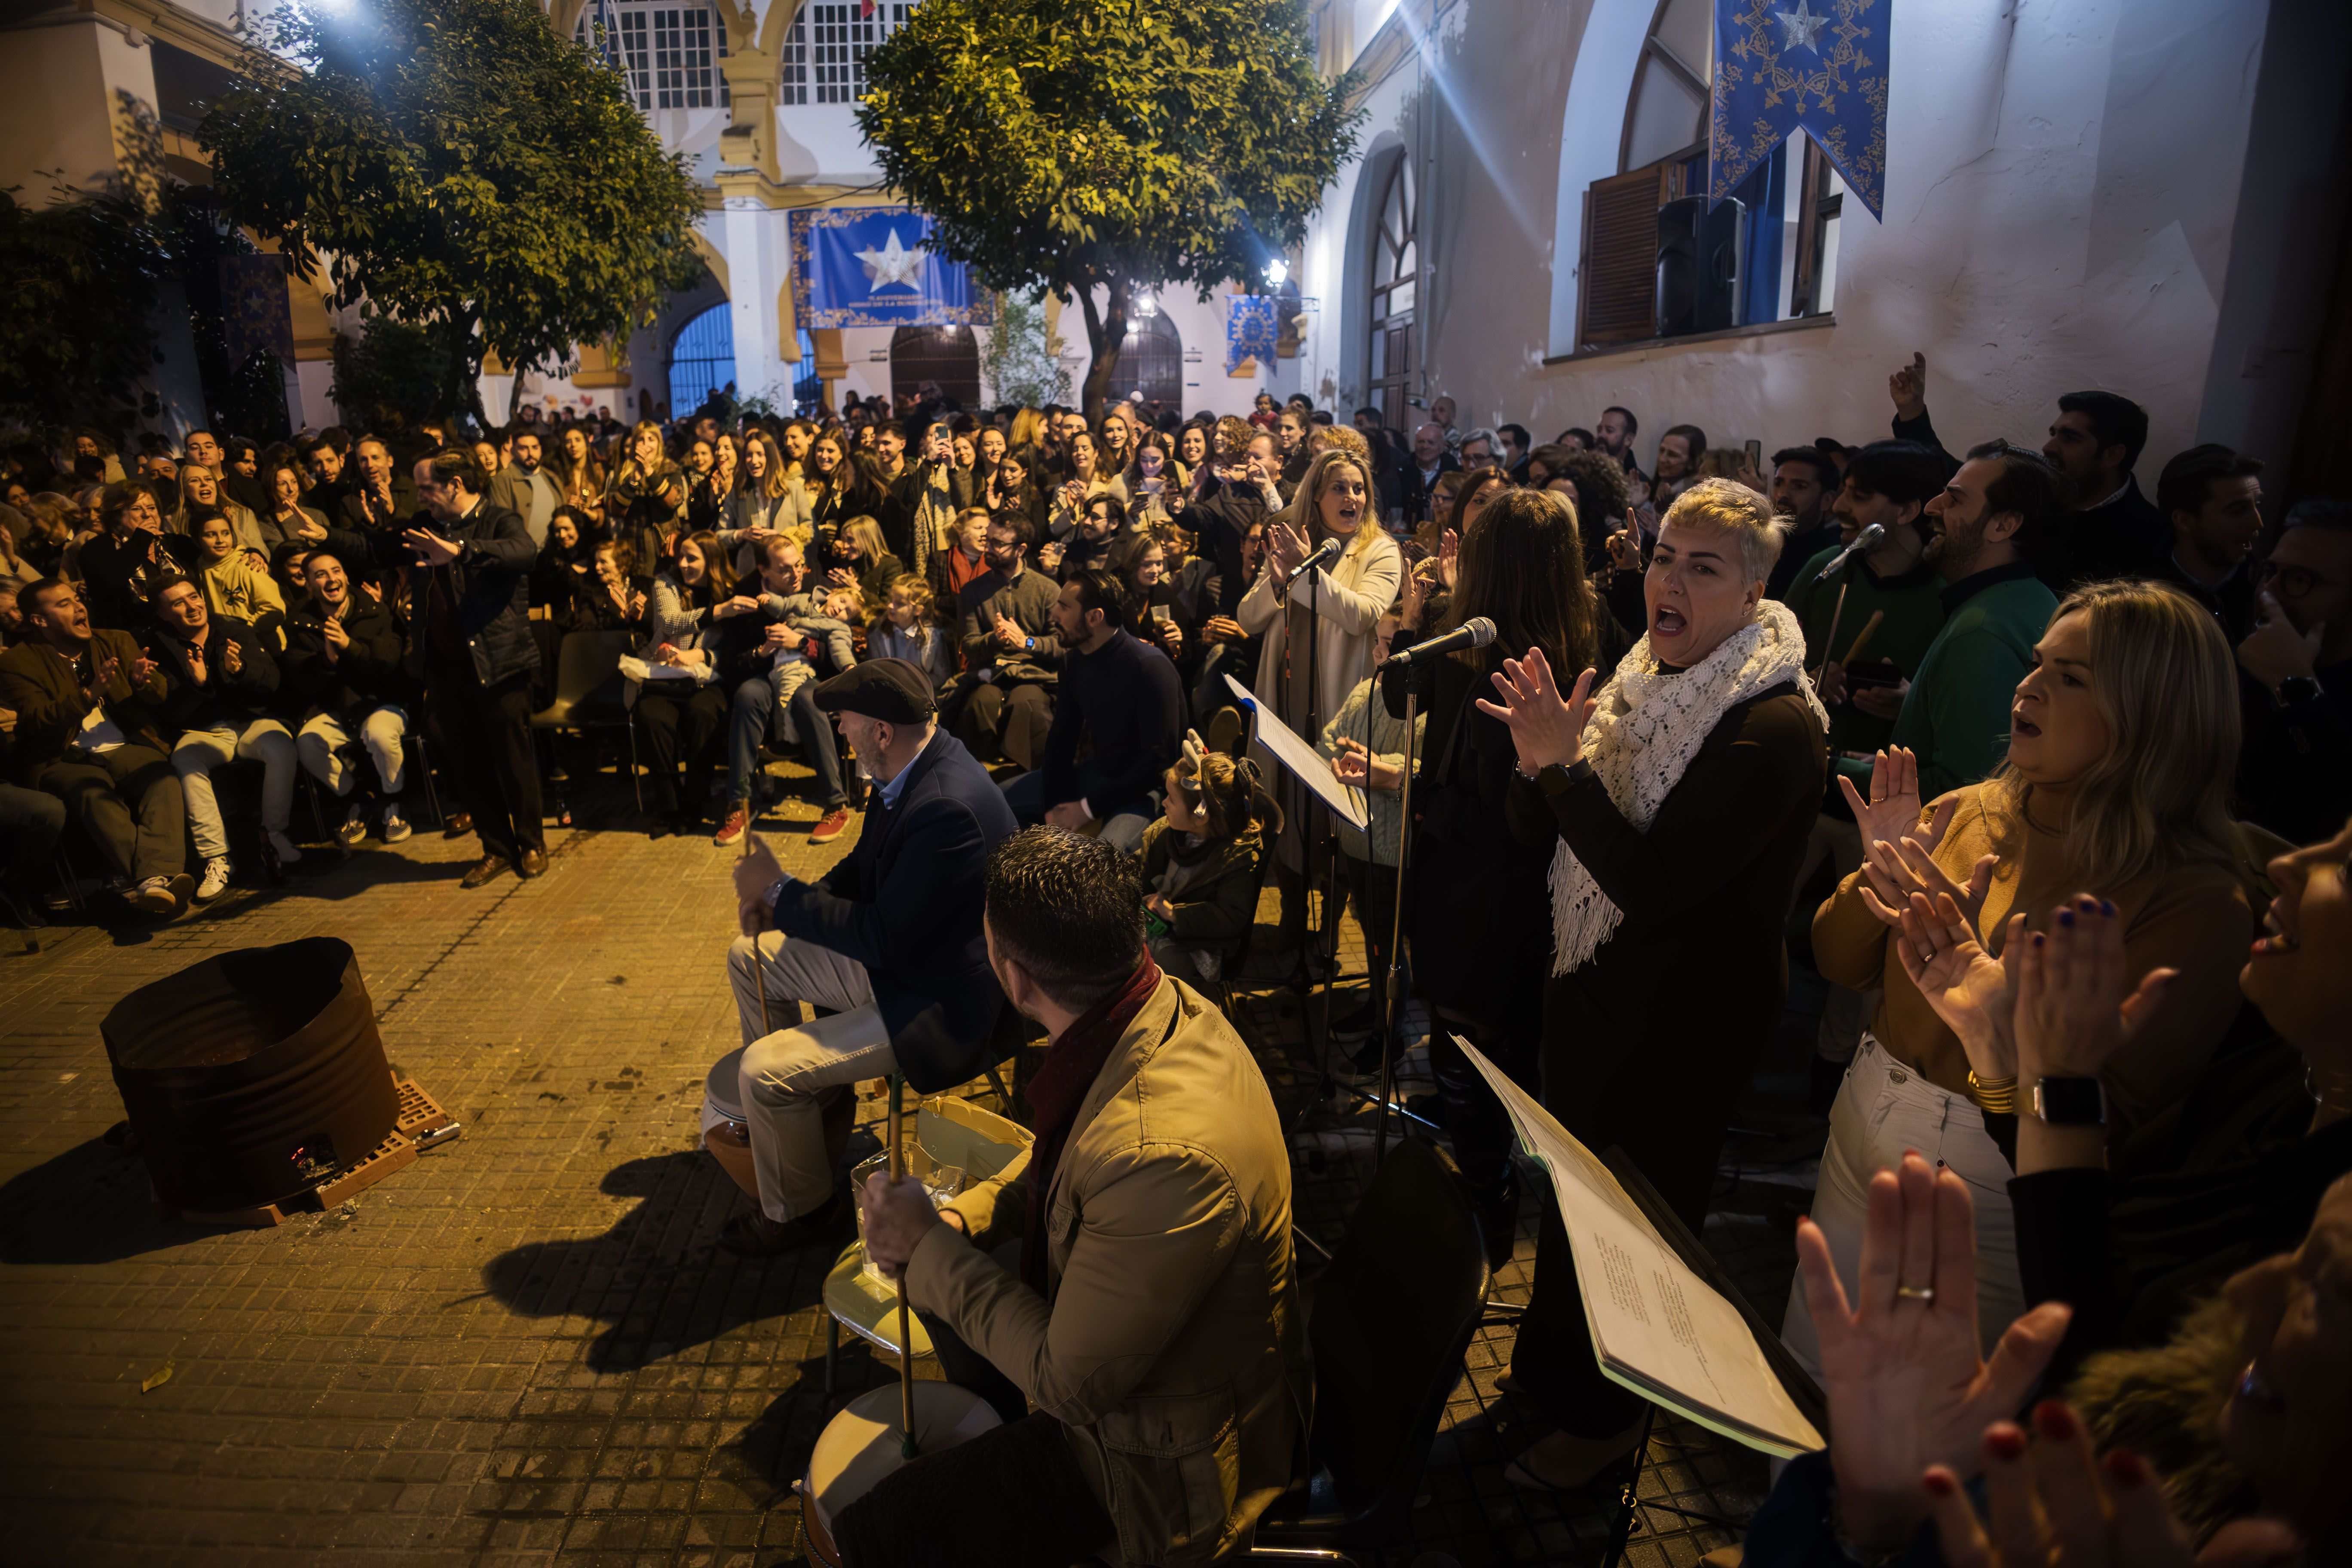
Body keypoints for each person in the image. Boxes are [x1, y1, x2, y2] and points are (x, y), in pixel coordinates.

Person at [1794, 581, 2254, 1389]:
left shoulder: (2196, 896)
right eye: (2037, 663)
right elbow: (1836, 960)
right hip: (1862, 1116)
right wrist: (1880, 880)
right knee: (1810, 1376)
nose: (2028, 686)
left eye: (2069, 677)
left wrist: (1994, 1018)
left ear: (2152, 714)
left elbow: (2114, 1121)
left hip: (2000, 1181)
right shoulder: (1969, 808)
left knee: (1935, 1427)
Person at [1480, 478, 1828, 1487]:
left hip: (1682, 1019)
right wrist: (1536, 762)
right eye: (1664, 556)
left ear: (1754, 591)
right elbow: (1532, 832)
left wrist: (1562, 772)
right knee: (1576, 1208)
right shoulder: (1640, 674)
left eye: (1701, 567)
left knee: (1635, 1233)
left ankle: (1607, 1426)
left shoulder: (1772, 725)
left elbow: (1654, 888)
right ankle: (1553, 1378)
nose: (1667, 581)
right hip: (1595, 990)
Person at [842, 827, 1309, 1568]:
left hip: (1165, 1465)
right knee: (961, 1303)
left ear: (1015, 978)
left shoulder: (1164, 1158)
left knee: (877, 1531)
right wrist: (965, 1216)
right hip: (1155, 1384)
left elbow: (1068, 1387)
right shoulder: (1159, 1006)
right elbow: (1071, 1158)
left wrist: (924, 1248)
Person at [707, 659, 1018, 1255]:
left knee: (762, 1070)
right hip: (905, 966)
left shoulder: (945, 806)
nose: (840, 732)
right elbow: (863, 870)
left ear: (881, 730)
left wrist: (781, 893)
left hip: (936, 1006)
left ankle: (801, 1212)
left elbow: (880, 938)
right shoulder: (913, 766)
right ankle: (796, 1123)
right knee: (750, 955)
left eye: (845, 721)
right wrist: (783, 907)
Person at [1384, 488, 1617, 1258]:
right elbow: (1403, 699)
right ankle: (1492, 1181)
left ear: (1490, 567)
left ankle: (1486, 1199)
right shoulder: (1576, 640)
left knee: (1473, 1057)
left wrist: (1424, 803)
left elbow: (1504, 822)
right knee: (1502, 1051)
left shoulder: (1500, 671)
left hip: (1480, 899)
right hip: (1529, 898)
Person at [327, 450, 543, 888]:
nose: (420, 495)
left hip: (499, 665)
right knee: (467, 765)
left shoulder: (498, 520)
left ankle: (531, 844)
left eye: (426, 487)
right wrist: (325, 535)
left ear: (455, 485)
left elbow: (524, 553)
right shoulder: (425, 526)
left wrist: (461, 551)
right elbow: (375, 548)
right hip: (447, 670)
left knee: (513, 762)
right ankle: (497, 849)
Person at [1241, 448, 1403, 961]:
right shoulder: (1293, 543)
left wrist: (1303, 573)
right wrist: (1277, 579)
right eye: (1339, 488)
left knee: (1333, 816)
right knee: (1285, 806)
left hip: (1338, 702)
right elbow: (1248, 618)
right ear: (1315, 495)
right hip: (1286, 697)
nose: (1352, 497)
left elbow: (1362, 615)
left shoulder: (1380, 550)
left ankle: (1330, 927)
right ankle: (1292, 915)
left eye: (1359, 489)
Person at [1886, 353, 2162, 593]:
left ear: (2114, 454)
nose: (2049, 447)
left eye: (2070, 438)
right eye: (2054, 434)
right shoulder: (2032, 490)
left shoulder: (2150, 537)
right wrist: (1912, 413)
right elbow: (1954, 477)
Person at [1889, 441, 2069, 798]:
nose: (1932, 506)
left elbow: (1966, 793)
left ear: (2003, 525)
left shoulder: (1981, 631)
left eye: (1954, 499)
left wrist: (1831, 769)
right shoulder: (2030, 595)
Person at [0, 578, 190, 916]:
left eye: (77, 599)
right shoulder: (18, 662)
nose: (79, 607)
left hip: (122, 743)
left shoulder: (116, 640)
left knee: (160, 777)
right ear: (39, 620)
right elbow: (36, 719)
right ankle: (155, 880)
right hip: (62, 756)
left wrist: (143, 682)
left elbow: (159, 694)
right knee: (93, 793)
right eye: (64, 604)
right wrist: (88, 696)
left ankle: (150, 882)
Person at [1001, 569, 1183, 854]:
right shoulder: (1074, 662)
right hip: (1097, 773)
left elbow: (1159, 762)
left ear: (1095, 617)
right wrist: (1055, 806)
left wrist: (1085, 809)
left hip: (1145, 790)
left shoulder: (1150, 667)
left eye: (1064, 607)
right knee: (989, 805)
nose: (1053, 614)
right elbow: (1061, 739)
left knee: (1101, 859)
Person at [147, 574, 295, 900]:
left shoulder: (232, 629)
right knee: (184, 761)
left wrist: (239, 671)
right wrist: (197, 684)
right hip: (204, 731)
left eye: (194, 596)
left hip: (251, 723)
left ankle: (274, 837)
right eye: (178, 603)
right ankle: (216, 858)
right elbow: (171, 711)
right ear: (163, 614)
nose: (192, 606)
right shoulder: (158, 646)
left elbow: (271, 681)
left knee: (281, 746)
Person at [716, 536, 854, 848]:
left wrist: (802, 644)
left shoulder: (816, 587)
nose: (796, 574)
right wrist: (763, 651)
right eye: (785, 569)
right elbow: (732, 661)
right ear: (763, 571)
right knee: (747, 695)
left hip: (808, 674)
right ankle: (740, 802)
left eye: (799, 565)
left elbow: (840, 644)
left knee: (809, 698)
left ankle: (836, 804)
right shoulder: (747, 597)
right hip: (765, 673)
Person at [2233, 499, 2352, 844]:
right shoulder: (2239, 664)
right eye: (2270, 571)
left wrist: (2297, 688)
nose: (2268, 592)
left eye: (2300, 579)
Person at [280, 550, 412, 848]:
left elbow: (388, 663)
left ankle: (394, 803)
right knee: (307, 744)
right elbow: (300, 679)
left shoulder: (375, 611)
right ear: (308, 585)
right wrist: (327, 661)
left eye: (336, 571)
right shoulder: (301, 622)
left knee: (379, 734)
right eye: (321, 575)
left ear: (346, 576)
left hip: (380, 702)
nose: (331, 579)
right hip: (336, 708)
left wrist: (349, 646)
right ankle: (359, 800)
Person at [1139, 735, 1283, 983]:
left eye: (1172, 799)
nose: (1164, 803)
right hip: (1157, 925)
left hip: (1196, 945)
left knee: (1158, 968)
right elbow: (1140, 866)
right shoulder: (1168, 831)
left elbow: (1230, 916)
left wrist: (1175, 914)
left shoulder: (1236, 861)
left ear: (1200, 817)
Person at [952, 516, 1063, 770]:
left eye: (998, 543)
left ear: (1021, 550)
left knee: (1027, 706)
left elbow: (1062, 645)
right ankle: (974, 779)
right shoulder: (973, 591)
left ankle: (1026, 779)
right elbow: (969, 646)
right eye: (987, 540)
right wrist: (994, 639)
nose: (988, 548)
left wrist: (1028, 643)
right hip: (989, 673)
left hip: (1035, 675)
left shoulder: (1048, 590)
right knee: (980, 704)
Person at [2150, 443, 2264, 645]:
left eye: (2257, 505)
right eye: (2237, 510)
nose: (2258, 523)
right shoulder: (2135, 591)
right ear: (2184, 521)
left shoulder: (2267, 591)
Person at [77, 481, 192, 632]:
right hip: (137, 635)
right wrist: (141, 540)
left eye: (152, 508)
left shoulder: (177, 543)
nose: (147, 514)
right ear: (117, 516)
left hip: (187, 628)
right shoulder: (96, 549)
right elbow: (109, 582)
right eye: (136, 509)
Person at [1762, 445, 1844, 601]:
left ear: (1827, 500)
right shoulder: (1754, 543)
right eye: (1778, 483)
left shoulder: (1832, 560)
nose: (1783, 494)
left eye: (1799, 486)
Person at [868, 573, 955, 691]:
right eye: (890, 600)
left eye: (900, 603)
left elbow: (941, 677)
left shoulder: (932, 637)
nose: (890, 605)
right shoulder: (879, 635)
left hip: (923, 694)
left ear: (918, 610)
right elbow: (874, 673)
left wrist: (911, 685)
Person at [487, 428, 561, 548]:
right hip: (522, 552)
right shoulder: (503, 480)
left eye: (535, 448)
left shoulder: (552, 477)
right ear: (514, 451)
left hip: (553, 552)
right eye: (523, 448)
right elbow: (503, 523)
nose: (531, 453)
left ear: (541, 449)